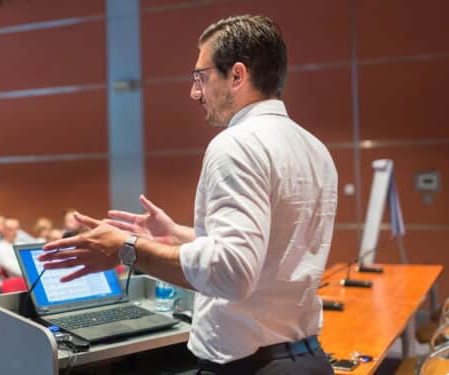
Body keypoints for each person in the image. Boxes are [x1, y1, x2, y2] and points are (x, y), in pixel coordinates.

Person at [41, 15, 337, 375]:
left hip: (249, 367)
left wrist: (127, 248)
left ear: (237, 76)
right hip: (305, 358)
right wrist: (177, 237)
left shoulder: (236, 144)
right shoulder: (314, 148)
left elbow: (232, 273)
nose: (194, 92)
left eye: (201, 76)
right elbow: (267, 251)